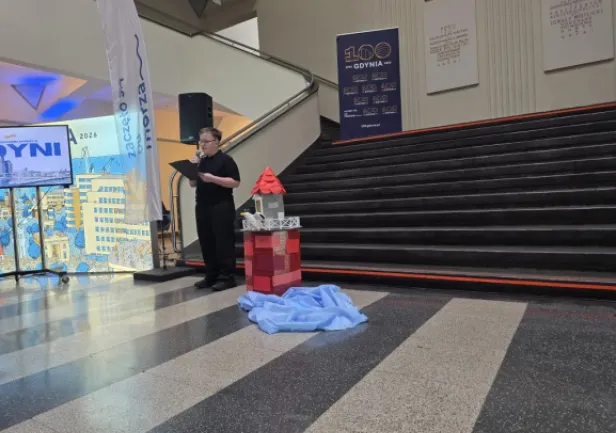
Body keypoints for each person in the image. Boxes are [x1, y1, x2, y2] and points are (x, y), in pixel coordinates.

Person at [189, 127, 240, 291]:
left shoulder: (226, 160)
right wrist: (192, 169)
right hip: (202, 206)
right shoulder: (201, 161)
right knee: (206, 241)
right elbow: (192, 183)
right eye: (201, 142)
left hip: (221, 206)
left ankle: (227, 277)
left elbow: (235, 182)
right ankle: (211, 275)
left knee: (223, 242)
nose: (202, 145)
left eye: (206, 141)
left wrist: (213, 179)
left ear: (216, 142)